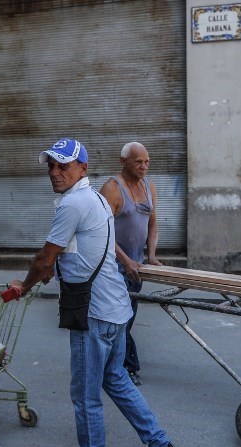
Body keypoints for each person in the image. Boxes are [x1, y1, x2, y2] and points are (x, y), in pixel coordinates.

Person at [9, 138, 178, 447]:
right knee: (115, 378)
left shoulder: (72, 204)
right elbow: (75, 254)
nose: (55, 173)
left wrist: (23, 286)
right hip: (116, 307)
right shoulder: (97, 199)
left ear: (82, 169)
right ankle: (159, 444)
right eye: (51, 167)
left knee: (85, 396)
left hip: (95, 313)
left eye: (63, 166)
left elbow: (45, 257)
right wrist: (48, 272)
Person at [99, 142, 161, 386]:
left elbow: (152, 224)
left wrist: (152, 256)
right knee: (121, 319)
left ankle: (113, 364)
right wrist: (125, 260)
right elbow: (101, 231)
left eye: (147, 162)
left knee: (128, 318)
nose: (144, 167)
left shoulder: (149, 187)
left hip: (136, 267)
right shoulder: (112, 189)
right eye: (138, 162)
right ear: (123, 162)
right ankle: (127, 368)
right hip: (113, 268)